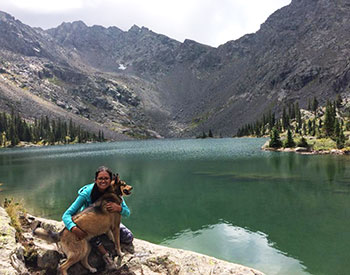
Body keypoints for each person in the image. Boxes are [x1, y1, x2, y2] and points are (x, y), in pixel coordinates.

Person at [62, 166, 133, 269]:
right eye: (100, 179)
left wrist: (119, 208)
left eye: (106, 179)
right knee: (95, 239)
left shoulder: (115, 192)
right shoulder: (86, 193)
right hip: (91, 224)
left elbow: (127, 213)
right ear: (95, 180)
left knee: (128, 236)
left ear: (111, 181)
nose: (103, 181)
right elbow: (66, 215)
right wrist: (74, 228)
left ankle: (114, 246)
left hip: (108, 223)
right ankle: (106, 257)